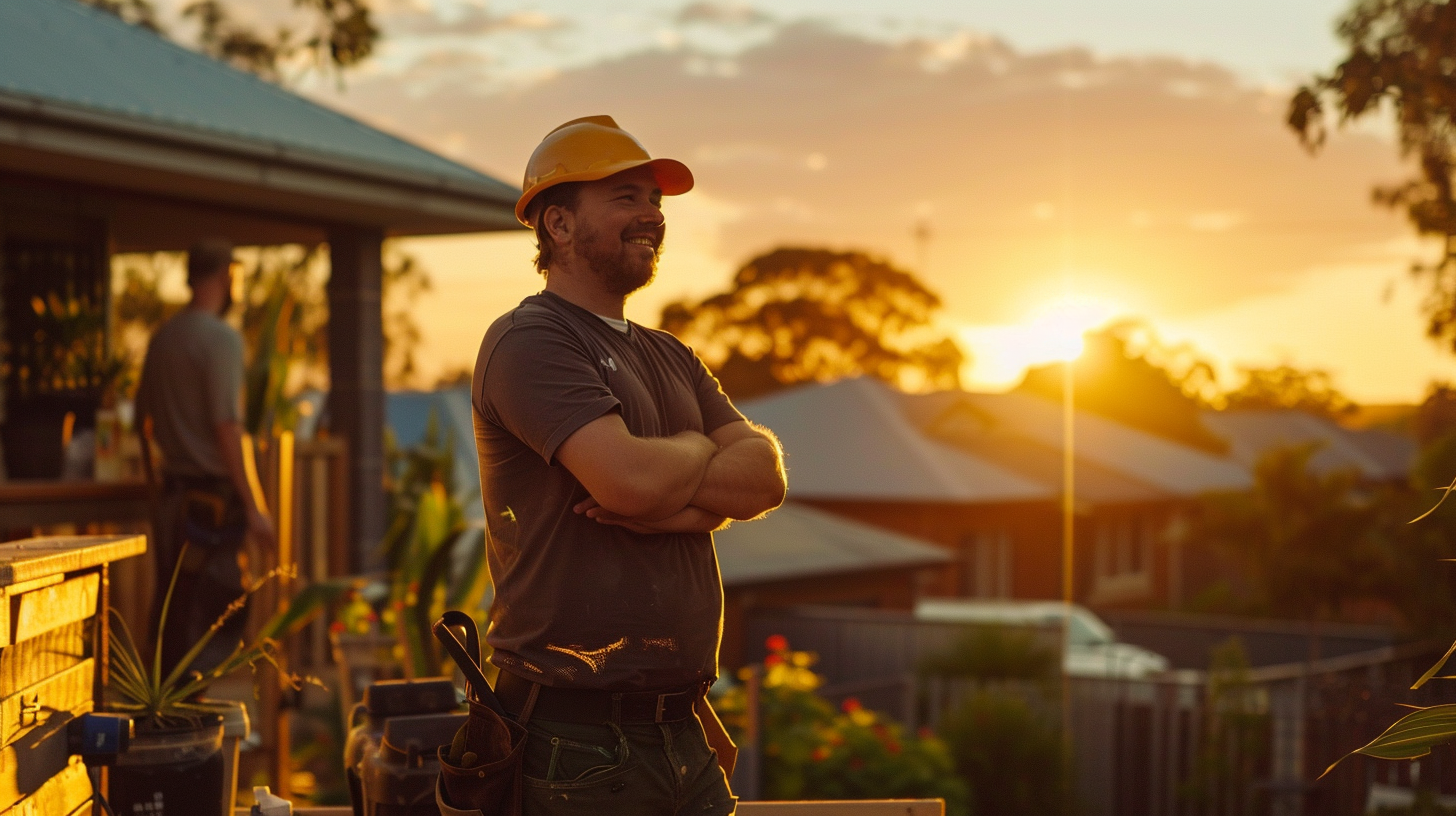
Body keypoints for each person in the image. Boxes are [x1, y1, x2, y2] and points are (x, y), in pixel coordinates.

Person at [471, 116, 787, 815]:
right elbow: (628, 482)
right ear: (557, 223)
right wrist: (702, 456)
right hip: (576, 741)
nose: (651, 215)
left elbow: (765, 476)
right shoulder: (530, 340)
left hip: (682, 733)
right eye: (626, 197)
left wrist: (673, 492)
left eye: (656, 200)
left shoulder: (670, 353)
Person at [135, 238, 275, 674]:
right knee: (207, 620)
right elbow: (227, 427)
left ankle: (165, 715)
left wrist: (156, 481)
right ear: (225, 276)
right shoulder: (220, 340)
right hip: (209, 508)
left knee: (174, 613)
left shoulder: (163, 338)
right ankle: (189, 726)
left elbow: (142, 422)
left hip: (172, 502)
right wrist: (254, 507)